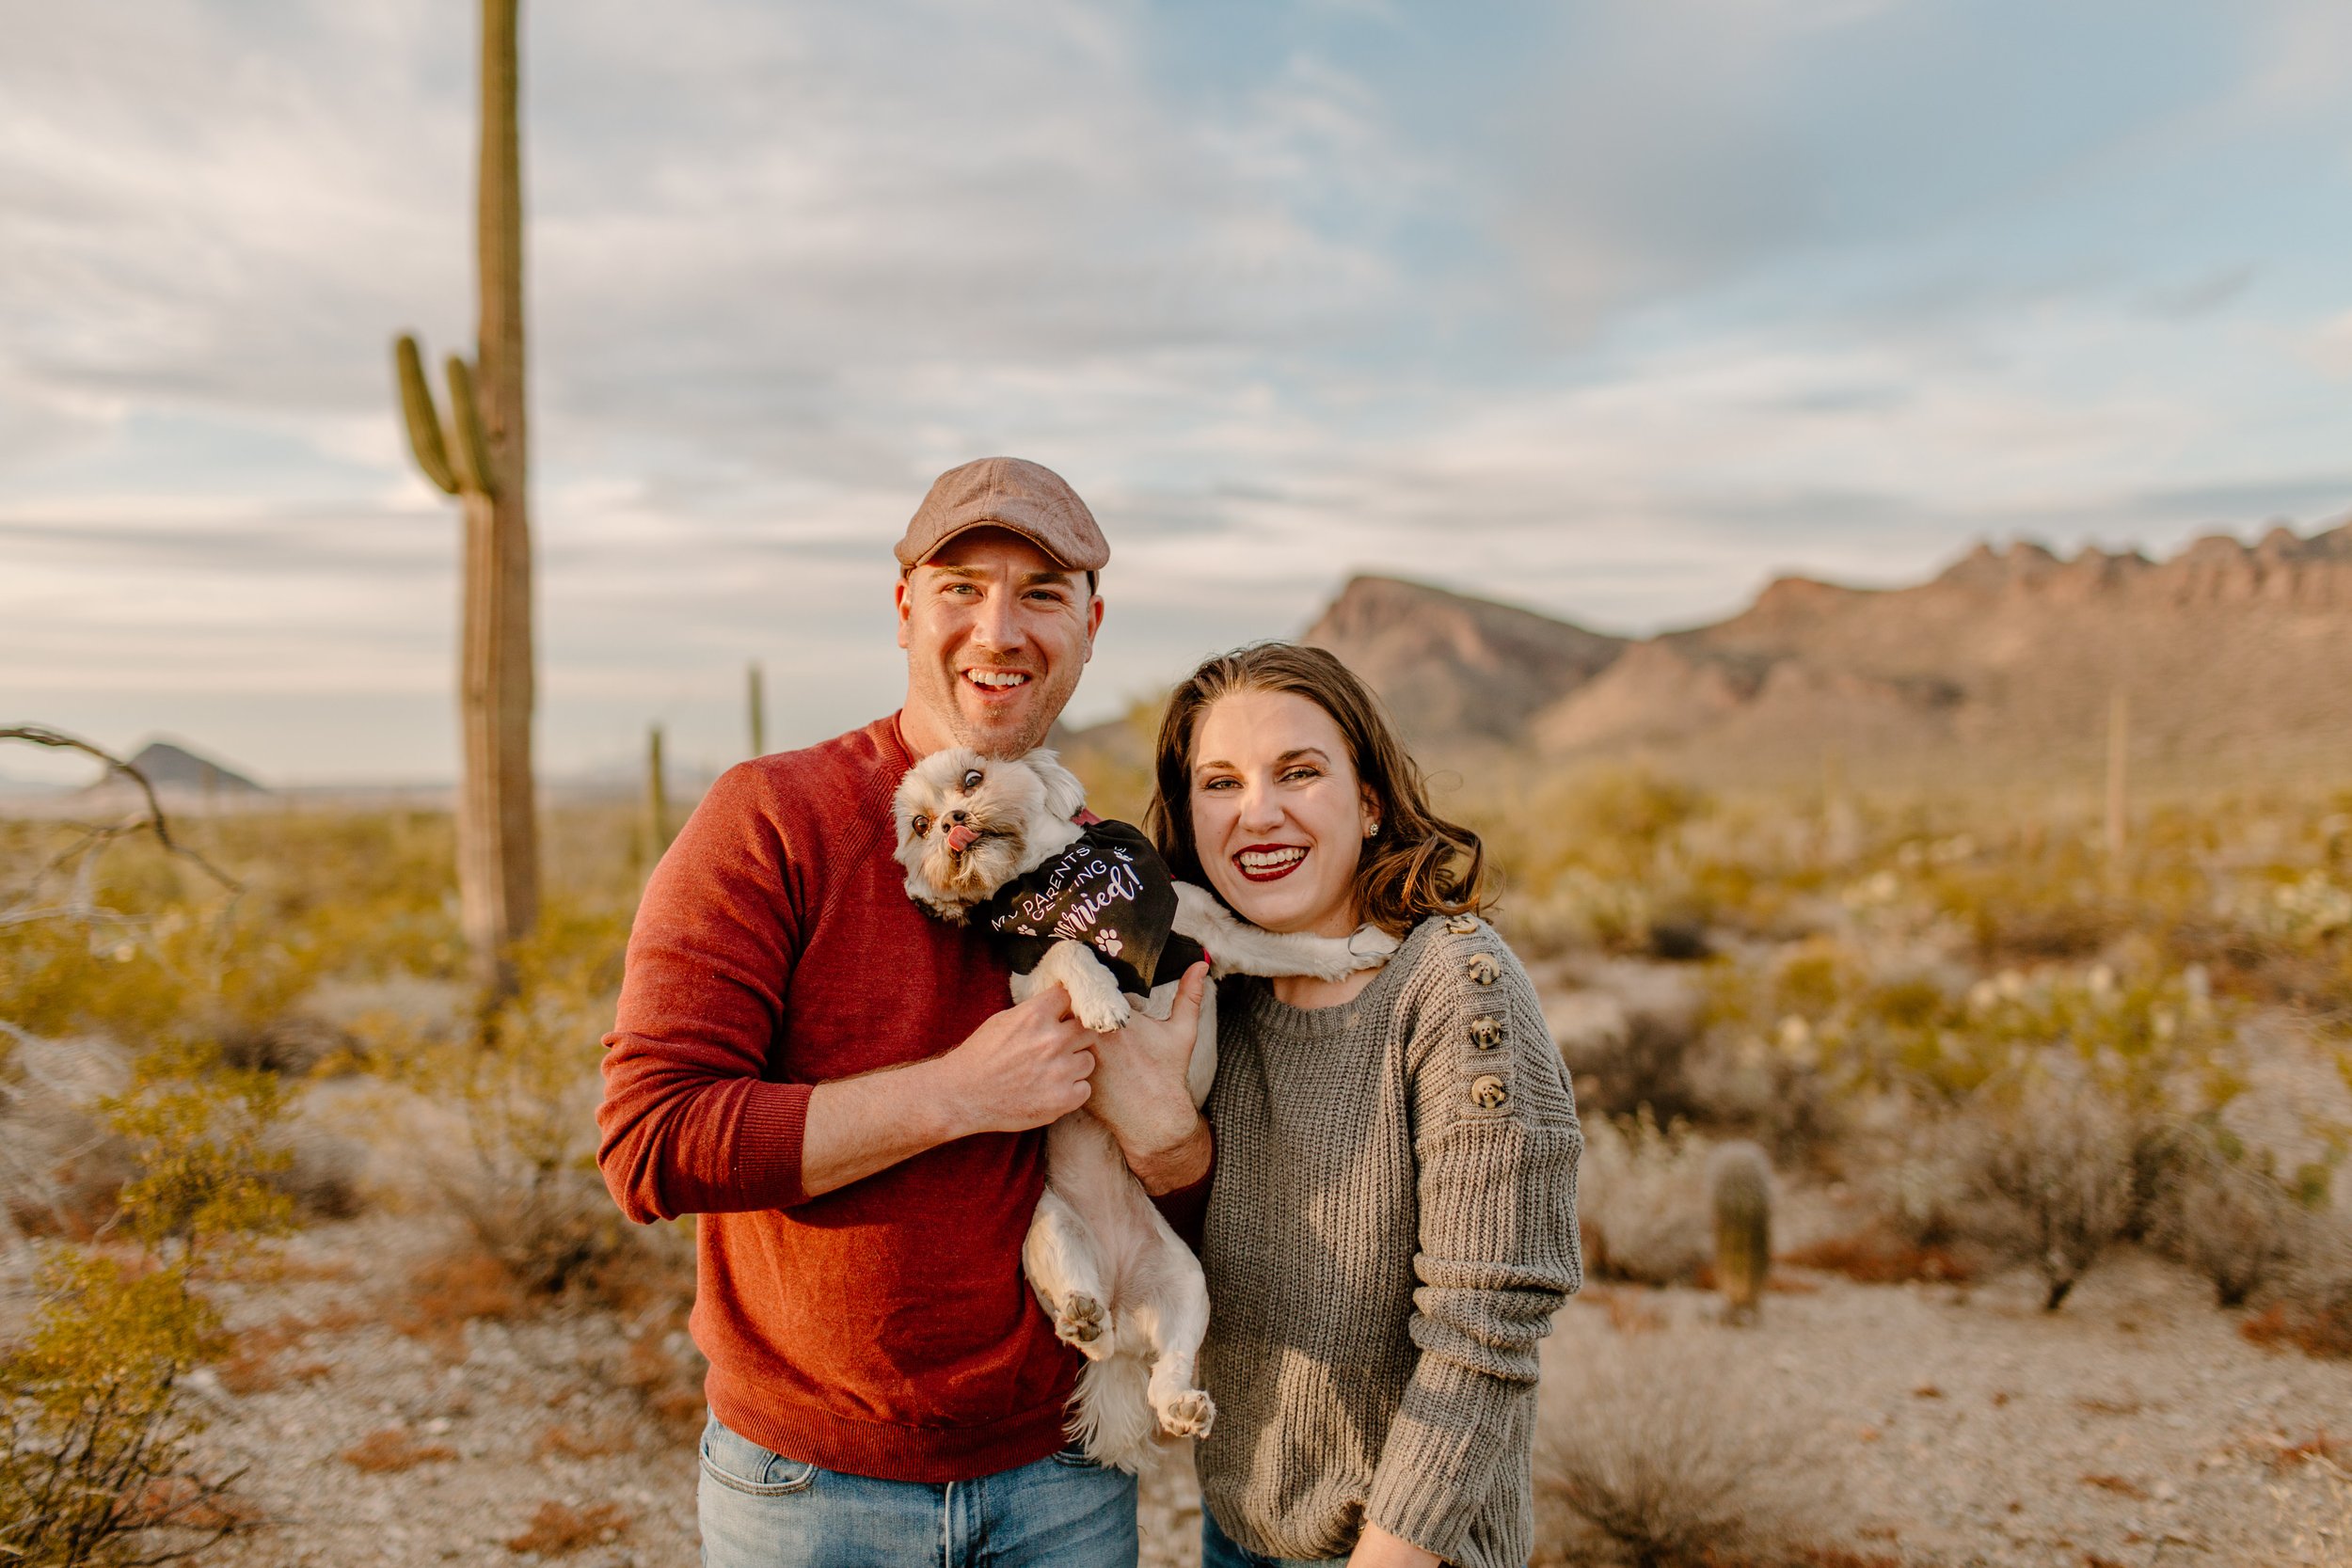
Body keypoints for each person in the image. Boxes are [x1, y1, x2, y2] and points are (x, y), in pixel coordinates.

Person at [596, 456, 1212, 1568]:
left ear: (1090, 623)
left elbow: (1201, 1186)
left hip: (1066, 1470)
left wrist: (1172, 1137)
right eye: (962, 587)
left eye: (1041, 593)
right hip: (813, 1488)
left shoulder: (1111, 869)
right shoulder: (773, 817)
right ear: (903, 610)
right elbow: (651, 1142)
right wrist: (956, 1094)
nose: (999, 628)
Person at [1144, 642, 1583, 1568]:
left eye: (1298, 772)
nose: (1257, 812)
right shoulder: (1221, 993)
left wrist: (1389, 1552)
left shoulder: (1457, 986)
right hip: (1241, 1529)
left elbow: (1486, 1328)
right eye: (1219, 782)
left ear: (1369, 798)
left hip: (1406, 1548)